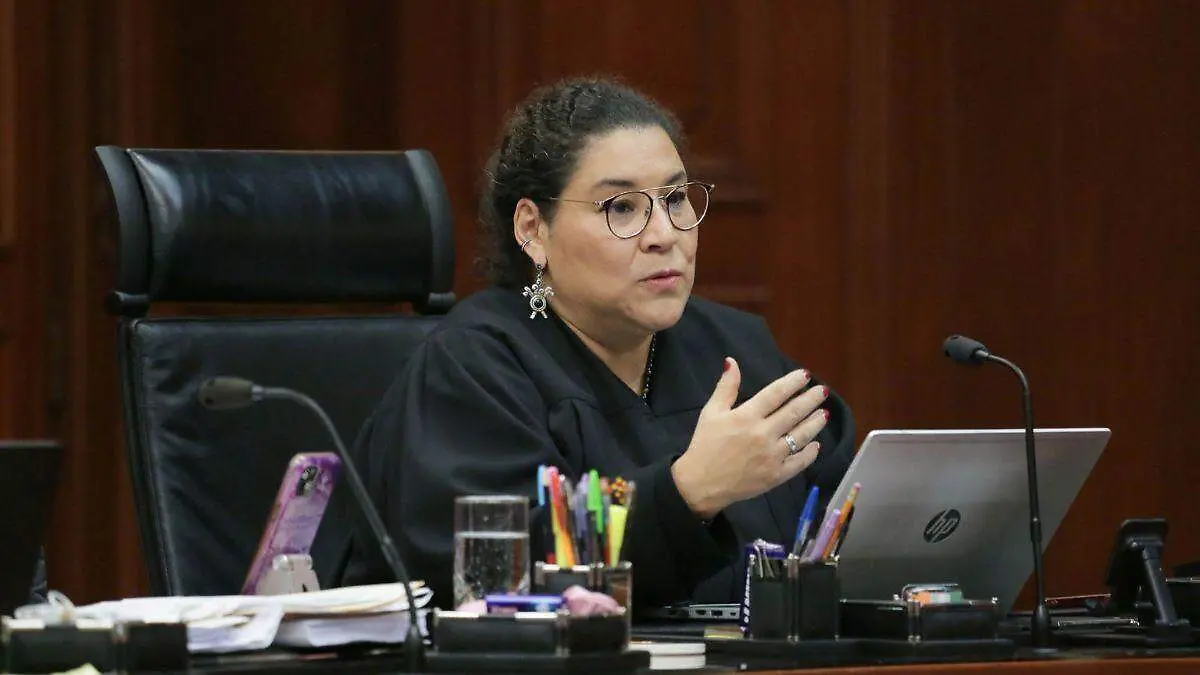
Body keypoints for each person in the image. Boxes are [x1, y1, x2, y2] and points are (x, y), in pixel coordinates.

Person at [342, 76, 855, 611]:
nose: (665, 234)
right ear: (532, 229)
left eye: (675, 198)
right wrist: (687, 494)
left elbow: (844, 509)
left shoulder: (736, 348)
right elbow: (492, 581)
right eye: (621, 207)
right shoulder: (471, 369)